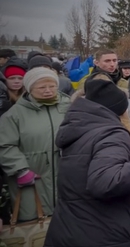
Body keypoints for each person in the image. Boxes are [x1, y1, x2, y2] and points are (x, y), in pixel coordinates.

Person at [44, 79, 130, 247]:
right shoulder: (112, 134)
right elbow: (106, 180)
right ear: (119, 109)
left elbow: (114, 147)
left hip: (70, 229)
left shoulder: (86, 126)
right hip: (105, 233)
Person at [0, 67, 71, 223]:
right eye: (41, 87)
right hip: (32, 176)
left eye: (52, 86)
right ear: (29, 88)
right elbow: (5, 145)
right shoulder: (15, 114)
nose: (48, 91)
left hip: (65, 173)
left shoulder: (68, 106)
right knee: (33, 224)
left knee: (67, 222)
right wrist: (20, 169)